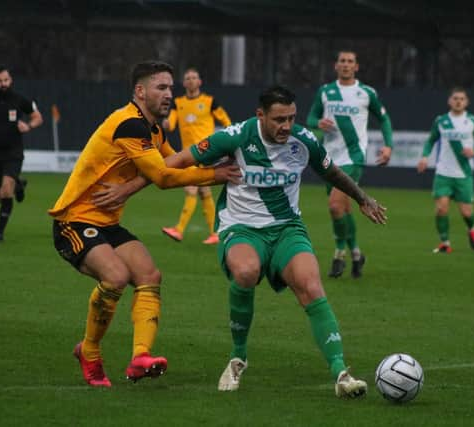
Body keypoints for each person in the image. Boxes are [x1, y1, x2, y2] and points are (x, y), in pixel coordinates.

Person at [164, 85, 387, 398]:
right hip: (241, 227)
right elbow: (177, 161)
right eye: (279, 119)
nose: (286, 126)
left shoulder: (303, 139)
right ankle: (237, 358)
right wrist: (127, 183)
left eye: (291, 118)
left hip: (287, 229)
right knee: (245, 272)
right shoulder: (236, 136)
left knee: (312, 285)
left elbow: (331, 172)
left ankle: (341, 373)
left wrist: (362, 198)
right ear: (260, 115)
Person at [48, 60, 240, 388]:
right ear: (140, 91)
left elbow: (173, 161)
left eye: (170, 88)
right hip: (74, 221)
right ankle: (89, 351)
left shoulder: (152, 129)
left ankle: (140, 357)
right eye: (161, 87)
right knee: (116, 277)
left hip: (106, 222)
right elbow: (164, 176)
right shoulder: (129, 124)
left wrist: (219, 154)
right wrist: (215, 174)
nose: (169, 94)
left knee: (150, 275)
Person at [307, 50, 393, 279]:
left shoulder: (366, 93)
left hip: (353, 157)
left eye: (350, 61)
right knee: (343, 209)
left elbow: (383, 118)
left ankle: (339, 254)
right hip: (328, 158)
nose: (346, 65)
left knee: (335, 206)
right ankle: (356, 254)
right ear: (336, 66)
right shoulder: (325, 91)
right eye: (342, 61)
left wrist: (388, 145)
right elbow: (310, 118)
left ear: (357, 67)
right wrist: (319, 122)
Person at [161, 68, 232, 244]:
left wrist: (225, 141)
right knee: (204, 193)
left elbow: (226, 122)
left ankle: (178, 230)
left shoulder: (209, 102)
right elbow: (171, 124)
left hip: (206, 153)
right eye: (188, 78)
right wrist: (165, 123)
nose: (191, 80)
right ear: (184, 83)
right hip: (189, 154)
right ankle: (215, 233)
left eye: (194, 77)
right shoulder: (178, 103)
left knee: (191, 188)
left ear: (199, 82)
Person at [417, 86, 474, 253]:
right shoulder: (441, 121)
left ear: (466, 102)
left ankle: (472, 230)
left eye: (461, 99)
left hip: (464, 174)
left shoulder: (473, 121)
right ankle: (445, 243)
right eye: (455, 98)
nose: (458, 101)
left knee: (467, 213)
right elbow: (431, 140)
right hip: (443, 173)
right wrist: (425, 156)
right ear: (449, 101)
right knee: (441, 208)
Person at [0, 65, 43, 242]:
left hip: (13, 152)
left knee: (6, 191)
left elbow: (38, 117)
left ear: (10, 80)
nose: (3, 84)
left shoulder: (19, 99)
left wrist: (28, 126)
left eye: (6, 80)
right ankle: (19, 185)